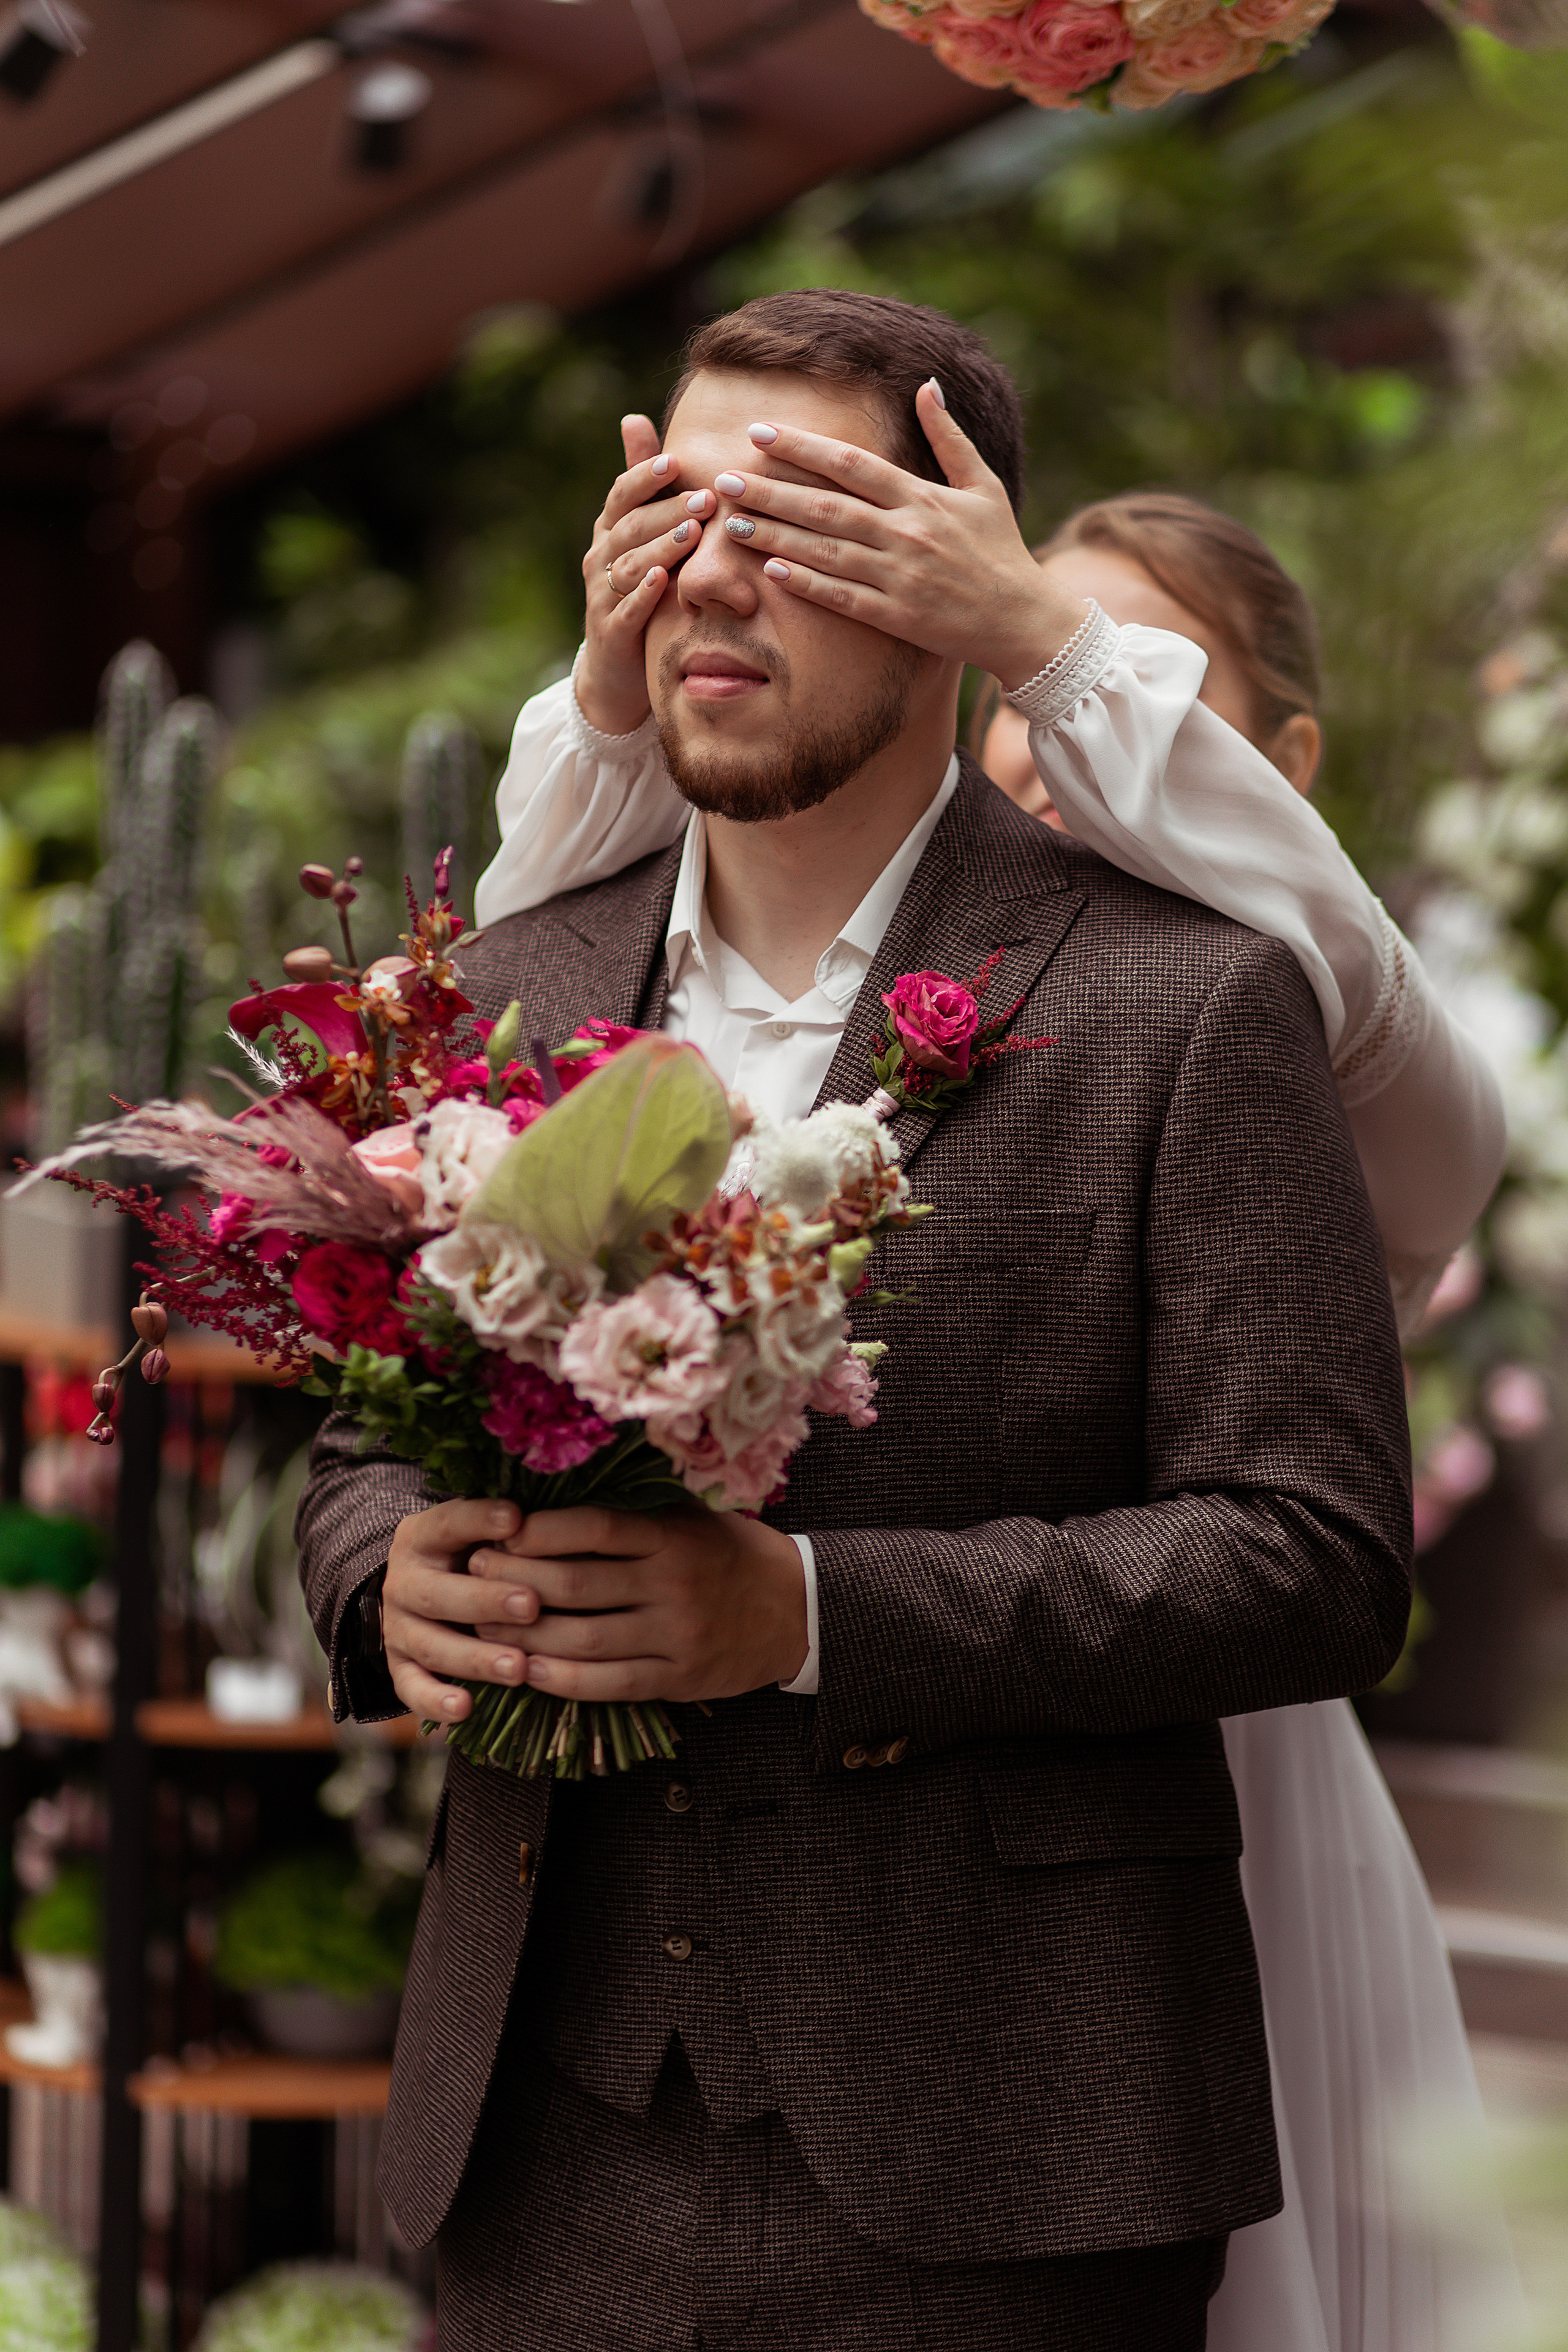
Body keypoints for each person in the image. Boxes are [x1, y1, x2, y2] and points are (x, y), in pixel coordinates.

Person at [298, 289, 1414, 2350]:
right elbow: (363, 1436)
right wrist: (388, 1576)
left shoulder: (1199, 1000)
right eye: (677, 513)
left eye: (800, 525)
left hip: (1009, 2158)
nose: (717, 575)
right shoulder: (503, 980)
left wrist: (805, 1614)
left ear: (939, 586)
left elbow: (1319, 1560)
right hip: (537, 2140)